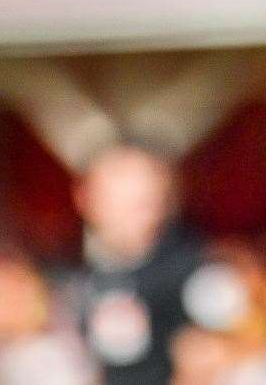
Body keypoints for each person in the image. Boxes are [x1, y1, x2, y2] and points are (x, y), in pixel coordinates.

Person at [73, 141, 205, 385]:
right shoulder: (73, 272)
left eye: (144, 203)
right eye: (121, 203)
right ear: (86, 199)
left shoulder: (193, 273)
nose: (139, 217)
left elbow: (211, 360)